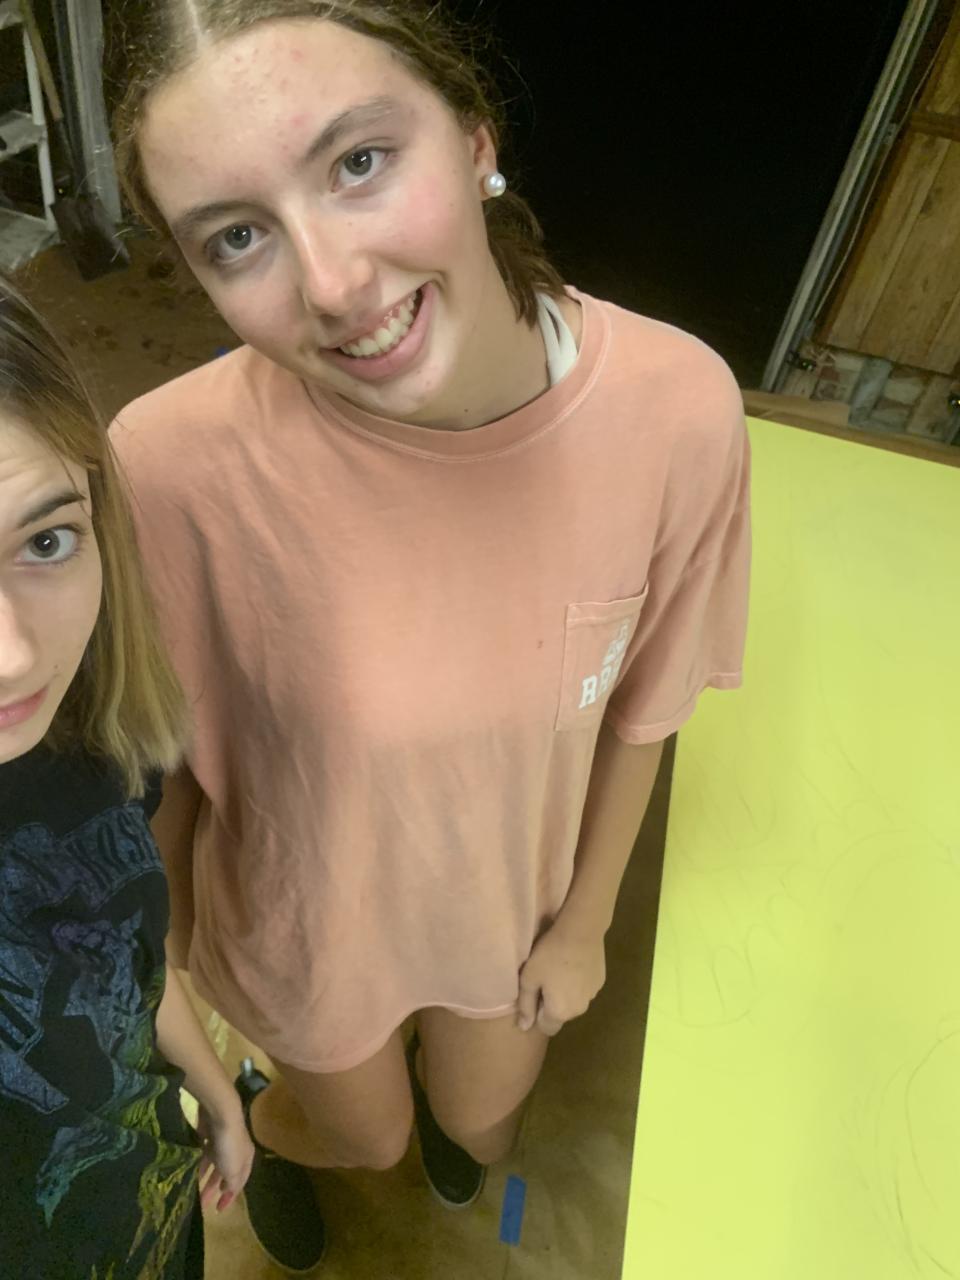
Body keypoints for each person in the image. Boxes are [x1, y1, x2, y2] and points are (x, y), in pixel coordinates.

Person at [105, 1, 751, 1273]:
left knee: (480, 1120)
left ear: (475, 139)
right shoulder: (168, 464)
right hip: (306, 923)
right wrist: (164, 970)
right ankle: (283, 1133)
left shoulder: (679, 409)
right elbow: (166, 758)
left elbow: (649, 701)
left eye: (359, 161)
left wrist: (584, 923)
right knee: (364, 1133)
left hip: (509, 912)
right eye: (238, 236)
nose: (335, 285)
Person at [0, 275, 254, 1280]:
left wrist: (213, 1090)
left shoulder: (83, 737)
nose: (16, 656)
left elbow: (120, 958)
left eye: (45, 540)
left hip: (151, 1211)